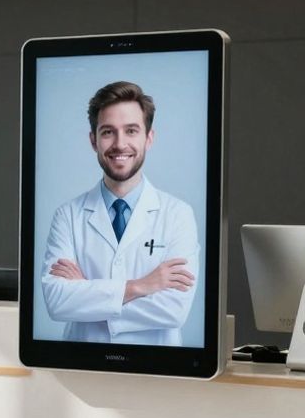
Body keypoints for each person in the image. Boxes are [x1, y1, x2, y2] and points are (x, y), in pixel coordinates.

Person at [42, 81, 199, 345]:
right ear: (93, 141)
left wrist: (87, 295)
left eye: (131, 131)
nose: (120, 143)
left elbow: (174, 310)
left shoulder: (177, 215)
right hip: (82, 367)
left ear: (149, 138)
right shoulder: (67, 216)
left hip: (156, 369)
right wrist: (140, 286)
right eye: (107, 132)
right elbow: (57, 302)